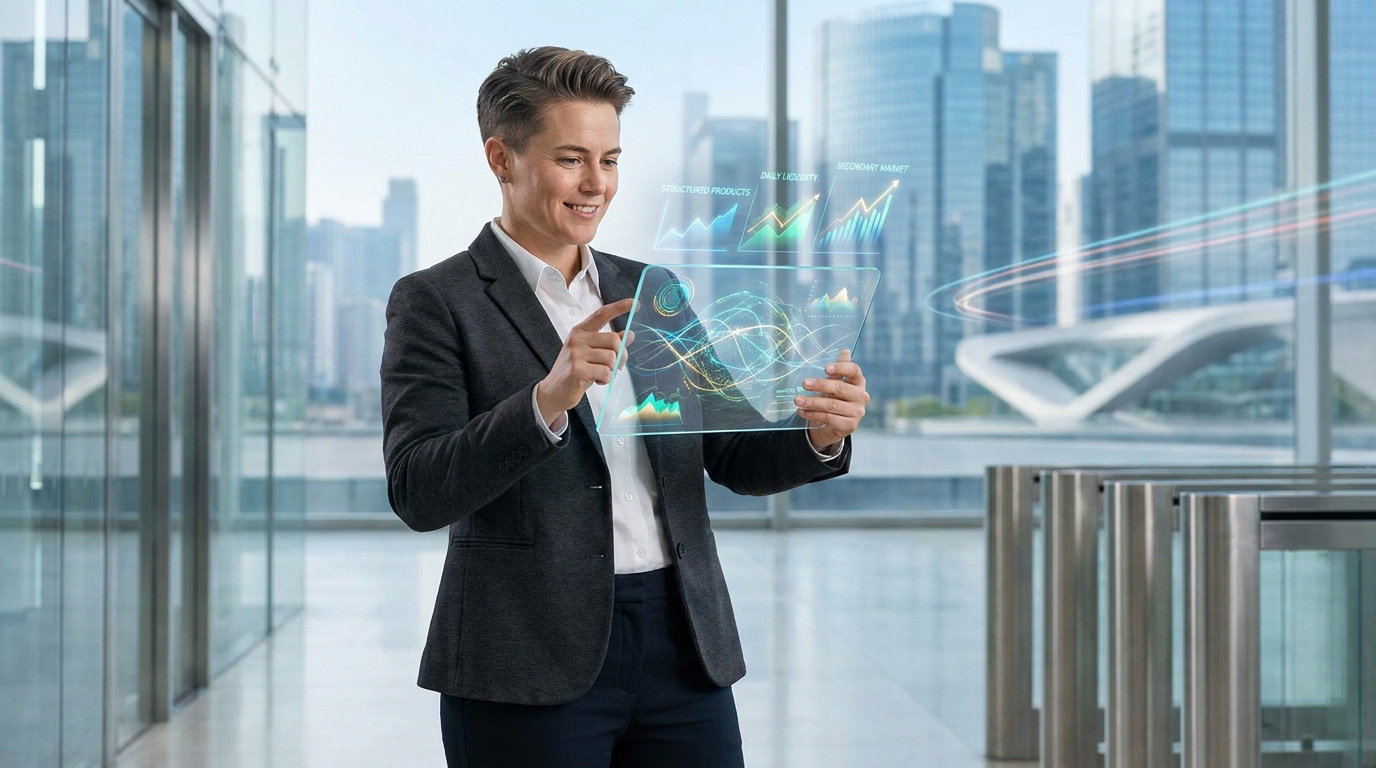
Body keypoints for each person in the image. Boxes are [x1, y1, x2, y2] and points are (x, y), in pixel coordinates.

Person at [380, 46, 871, 768]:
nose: (595, 185)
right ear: (501, 158)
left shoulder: (652, 290)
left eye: (610, 160)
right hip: (524, 656)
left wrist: (819, 434)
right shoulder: (437, 301)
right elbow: (419, 489)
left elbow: (730, 452)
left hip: (683, 645)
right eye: (571, 159)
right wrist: (547, 400)